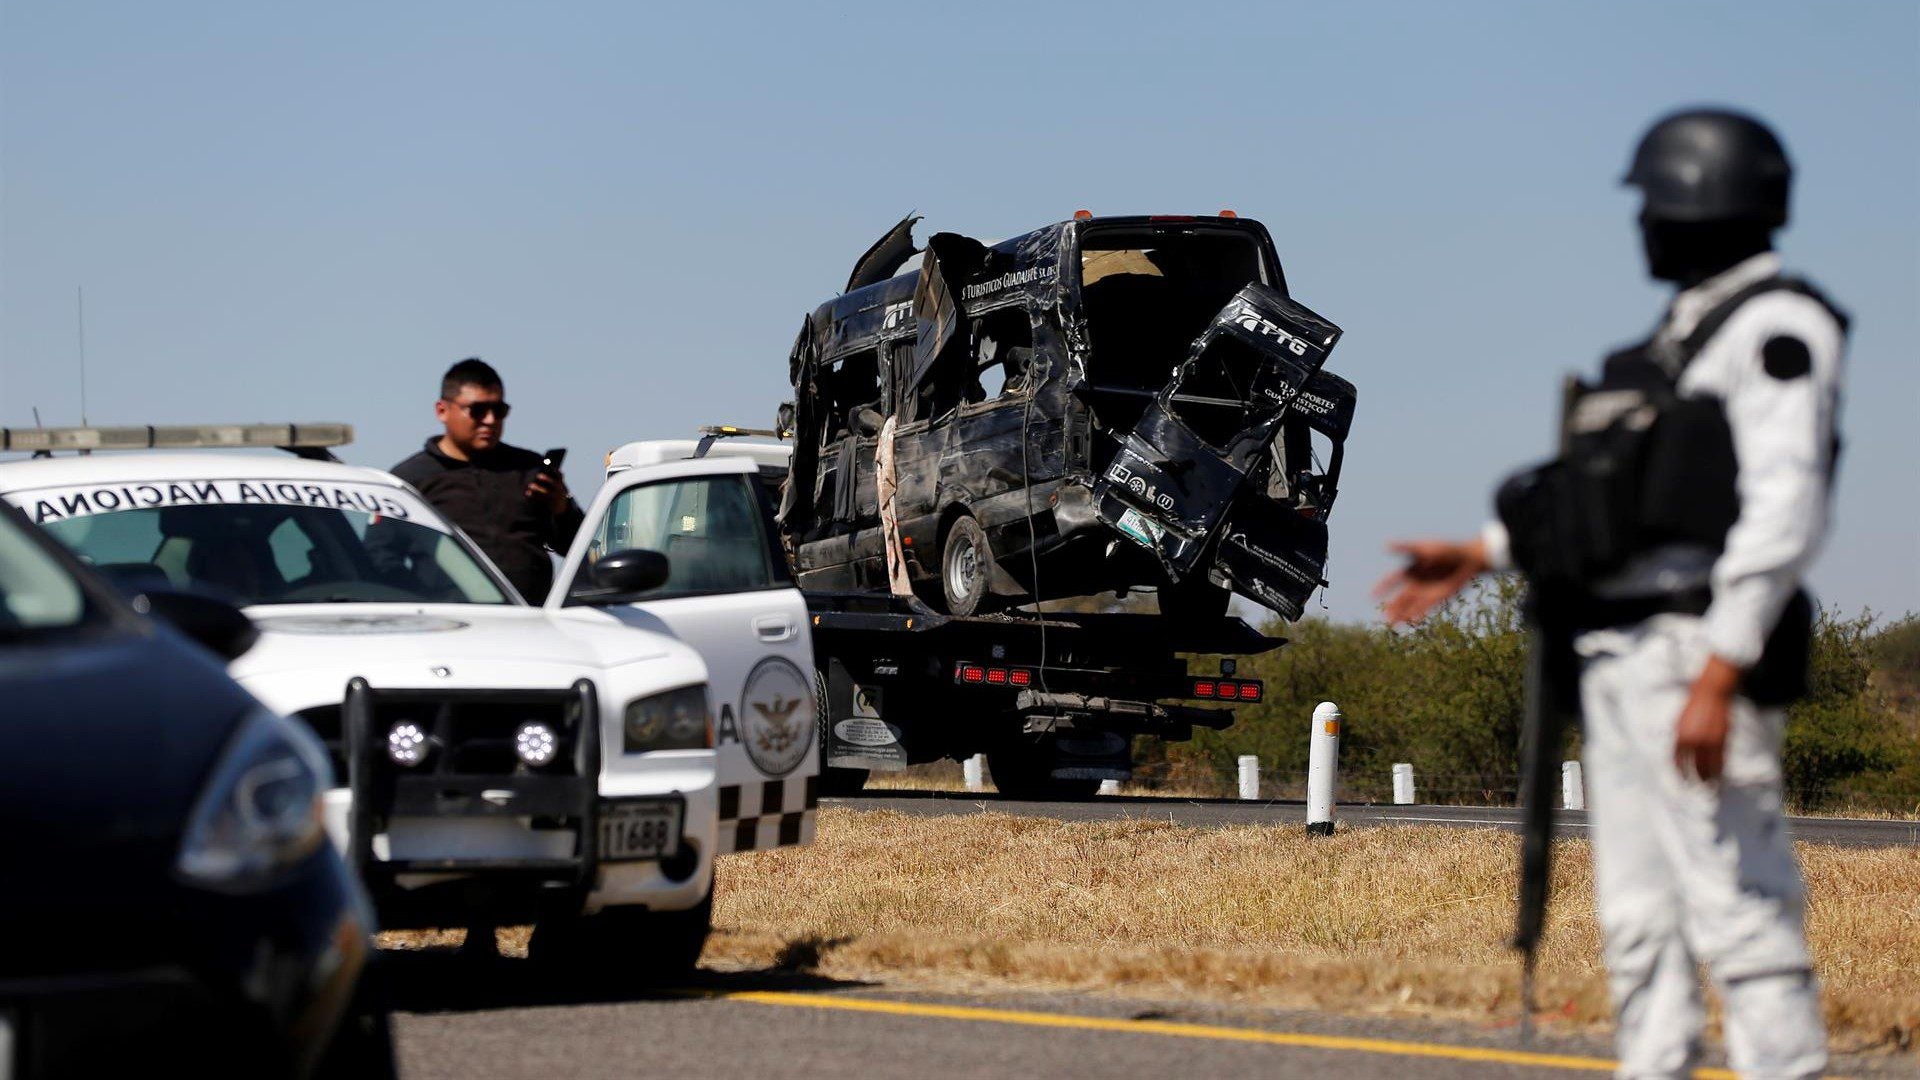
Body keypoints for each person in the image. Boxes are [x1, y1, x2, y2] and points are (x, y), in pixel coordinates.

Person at [1375, 108, 1845, 1080]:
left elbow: (1784, 509)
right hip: (1623, 659)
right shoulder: (1679, 339)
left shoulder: (1775, 331)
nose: (1643, 226)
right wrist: (1481, 550)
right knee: (1638, 919)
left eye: (1653, 204)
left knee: (1739, 912)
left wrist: (1723, 667)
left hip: (1692, 654)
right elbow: (1634, 500)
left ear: (1699, 203)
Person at [390, 358, 585, 603]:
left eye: (499, 411)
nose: (490, 420)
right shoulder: (409, 480)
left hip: (531, 623)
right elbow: (382, 559)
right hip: (448, 626)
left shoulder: (527, 469)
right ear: (442, 410)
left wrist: (562, 508)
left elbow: (578, 549)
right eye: (478, 410)